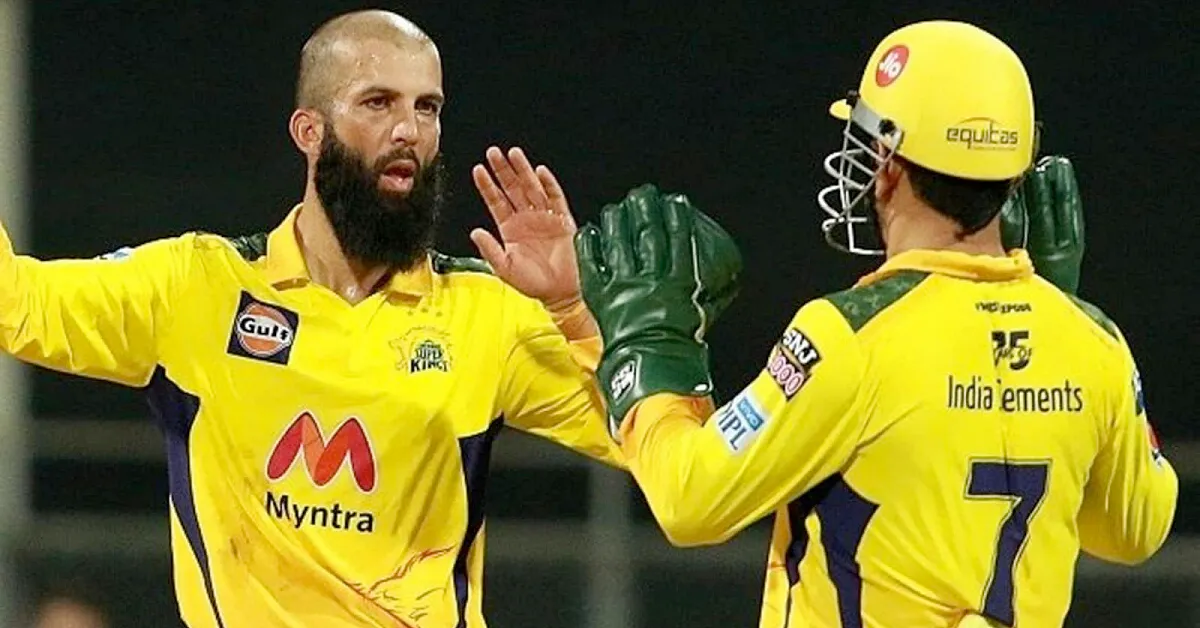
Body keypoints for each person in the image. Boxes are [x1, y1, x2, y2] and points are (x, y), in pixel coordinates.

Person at [2, 9, 739, 627]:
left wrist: (574, 310)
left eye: (427, 107)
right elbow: (17, 303)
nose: (408, 130)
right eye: (378, 103)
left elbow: (675, 461)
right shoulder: (196, 290)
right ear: (309, 131)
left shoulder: (486, 313)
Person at [576, 20, 1177, 628]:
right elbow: (1135, 531)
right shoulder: (1095, 344)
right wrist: (1056, 322)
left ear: (887, 161)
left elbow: (690, 499)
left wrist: (649, 342)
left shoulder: (850, 337)